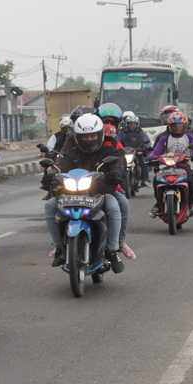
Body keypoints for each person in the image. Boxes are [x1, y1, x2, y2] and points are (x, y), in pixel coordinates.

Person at [43, 114, 125, 273]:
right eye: (85, 136)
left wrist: (113, 175)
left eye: (92, 135)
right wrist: (51, 176)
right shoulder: (70, 153)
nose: (89, 139)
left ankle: (112, 250)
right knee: (49, 206)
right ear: (78, 137)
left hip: (100, 193)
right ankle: (59, 248)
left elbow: (117, 167)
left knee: (114, 207)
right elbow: (60, 166)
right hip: (71, 194)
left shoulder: (110, 152)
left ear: (100, 135)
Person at [97, 103, 136, 260]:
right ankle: (60, 245)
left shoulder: (115, 144)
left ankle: (119, 241)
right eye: (105, 121)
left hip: (107, 187)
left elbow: (119, 166)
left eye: (112, 122)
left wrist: (117, 183)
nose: (108, 125)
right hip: (82, 187)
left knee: (123, 204)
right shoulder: (81, 140)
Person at [147, 112, 193, 218]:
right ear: (170, 126)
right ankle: (158, 204)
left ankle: (191, 204)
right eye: (174, 125)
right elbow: (156, 151)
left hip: (184, 166)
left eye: (180, 125)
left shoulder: (189, 137)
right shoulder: (164, 138)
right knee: (156, 180)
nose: (177, 127)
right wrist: (150, 157)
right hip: (167, 166)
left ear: (185, 125)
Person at [116, 114, 152, 185]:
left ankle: (144, 179)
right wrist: (117, 147)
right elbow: (117, 140)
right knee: (118, 163)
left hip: (138, 152)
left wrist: (144, 148)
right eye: (130, 124)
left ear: (137, 124)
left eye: (134, 124)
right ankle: (119, 180)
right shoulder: (123, 132)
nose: (132, 125)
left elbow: (147, 140)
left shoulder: (140, 132)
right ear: (127, 124)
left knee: (144, 163)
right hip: (125, 152)